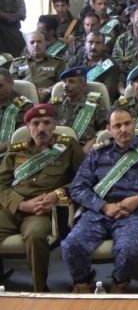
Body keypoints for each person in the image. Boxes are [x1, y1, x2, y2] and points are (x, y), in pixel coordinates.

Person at [61, 108, 138, 293]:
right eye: (117, 126)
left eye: (127, 124)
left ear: (134, 124)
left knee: (128, 249)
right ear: (109, 129)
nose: (123, 129)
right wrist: (103, 206)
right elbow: (77, 187)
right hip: (98, 212)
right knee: (70, 245)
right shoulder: (98, 152)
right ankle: (83, 284)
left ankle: (118, 285)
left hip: (132, 213)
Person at [0, 104, 83, 291]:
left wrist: (58, 194)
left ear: (54, 125)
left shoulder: (69, 146)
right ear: (28, 127)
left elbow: (84, 181)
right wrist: (22, 204)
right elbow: (1, 185)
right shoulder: (15, 149)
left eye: (46, 122)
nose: (41, 128)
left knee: (35, 236)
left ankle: (40, 289)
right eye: (35, 123)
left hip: (42, 211)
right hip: (13, 207)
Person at [51, 67, 108, 154]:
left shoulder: (95, 103)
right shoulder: (55, 104)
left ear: (83, 86)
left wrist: (94, 141)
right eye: (64, 81)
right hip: (58, 149)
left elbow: (107, 128)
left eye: (71, 81)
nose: (66, 85)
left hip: (85, 149)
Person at [10, 31, 65, 102]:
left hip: (48, 100)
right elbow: (11, 83)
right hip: (23, 100)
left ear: (45, 43)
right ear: (27, 45)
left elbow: (62, 82)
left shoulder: (57, 62)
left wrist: (47, 91)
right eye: (32, 42)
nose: (35, 45)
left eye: (39, 42)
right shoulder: (17, 63)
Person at [0, 68, 33, 154]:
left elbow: (20, 136)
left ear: (11, 84)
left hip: (8, 153)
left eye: (0, 86)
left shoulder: (24, 106)